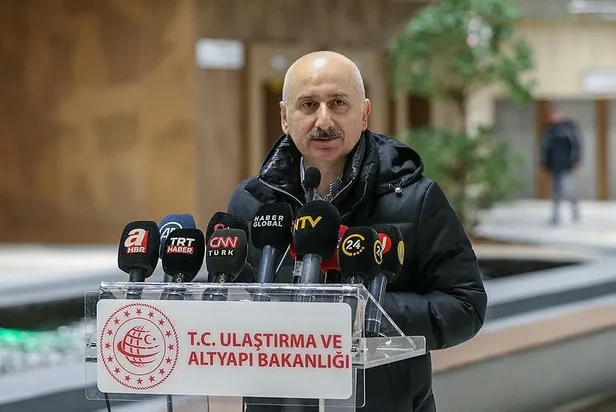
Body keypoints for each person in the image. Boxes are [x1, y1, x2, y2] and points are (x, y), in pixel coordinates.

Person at [227, 51, 487, 412]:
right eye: (308, 105)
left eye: (338, 103)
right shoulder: (251, 201)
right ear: (285, 117)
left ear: (364, 114)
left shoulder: (415, 199)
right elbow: (231, 304)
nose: (323, 120)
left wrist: (361, 313)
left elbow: (465, 306)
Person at [539, 108, 582, 225]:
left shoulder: (569, 128)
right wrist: (544, 163)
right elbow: (545, 148)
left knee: (568, 190)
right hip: (554, 166)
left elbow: (577, 145)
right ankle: (555, 215)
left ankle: (575, 209)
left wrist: (576, 160)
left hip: (567, 165)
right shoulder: (549, 131)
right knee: (555, 192)